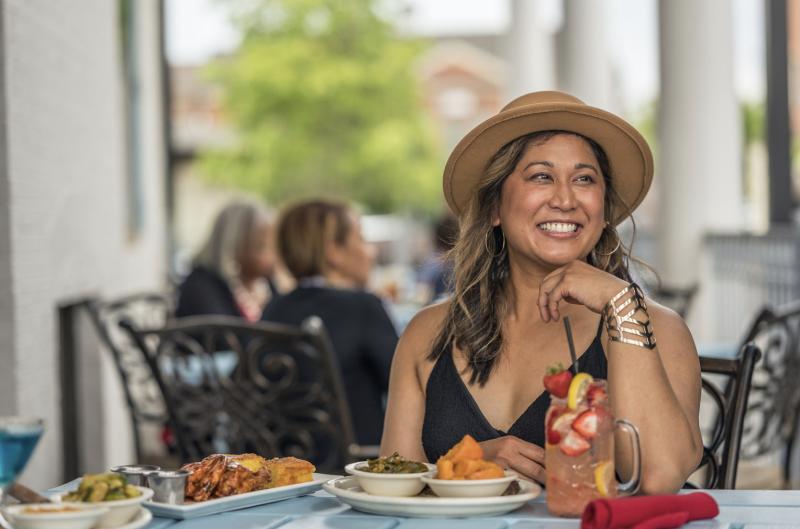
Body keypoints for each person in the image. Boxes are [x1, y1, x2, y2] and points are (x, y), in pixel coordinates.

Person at [380, 91, 703, 494]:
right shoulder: (427, 333)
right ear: (495, 208)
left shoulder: (654, 325)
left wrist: (622, 305)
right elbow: (390, 490)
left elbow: (660, 477)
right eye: (541, 176)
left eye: (584, 179)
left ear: (603, 212)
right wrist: (464, 464)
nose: (565, 199)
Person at [262, 198, 399, 446]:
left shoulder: (274, 308)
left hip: (283, 463)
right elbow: (407, 388)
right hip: (354, 465)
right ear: (333, 251)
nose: (372, 252)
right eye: (362, 239)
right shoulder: (362, 306)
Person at [175, 200, 280, 321]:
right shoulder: (202, 286)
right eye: (262, 247)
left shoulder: (267, 286)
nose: (275, 256)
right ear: (233, 246)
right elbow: (226, 337)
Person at [416, 213, 458, 303]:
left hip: (436, 310)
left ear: (436, 237)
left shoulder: (433, 262)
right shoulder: (464, 262)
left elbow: (421, 295)